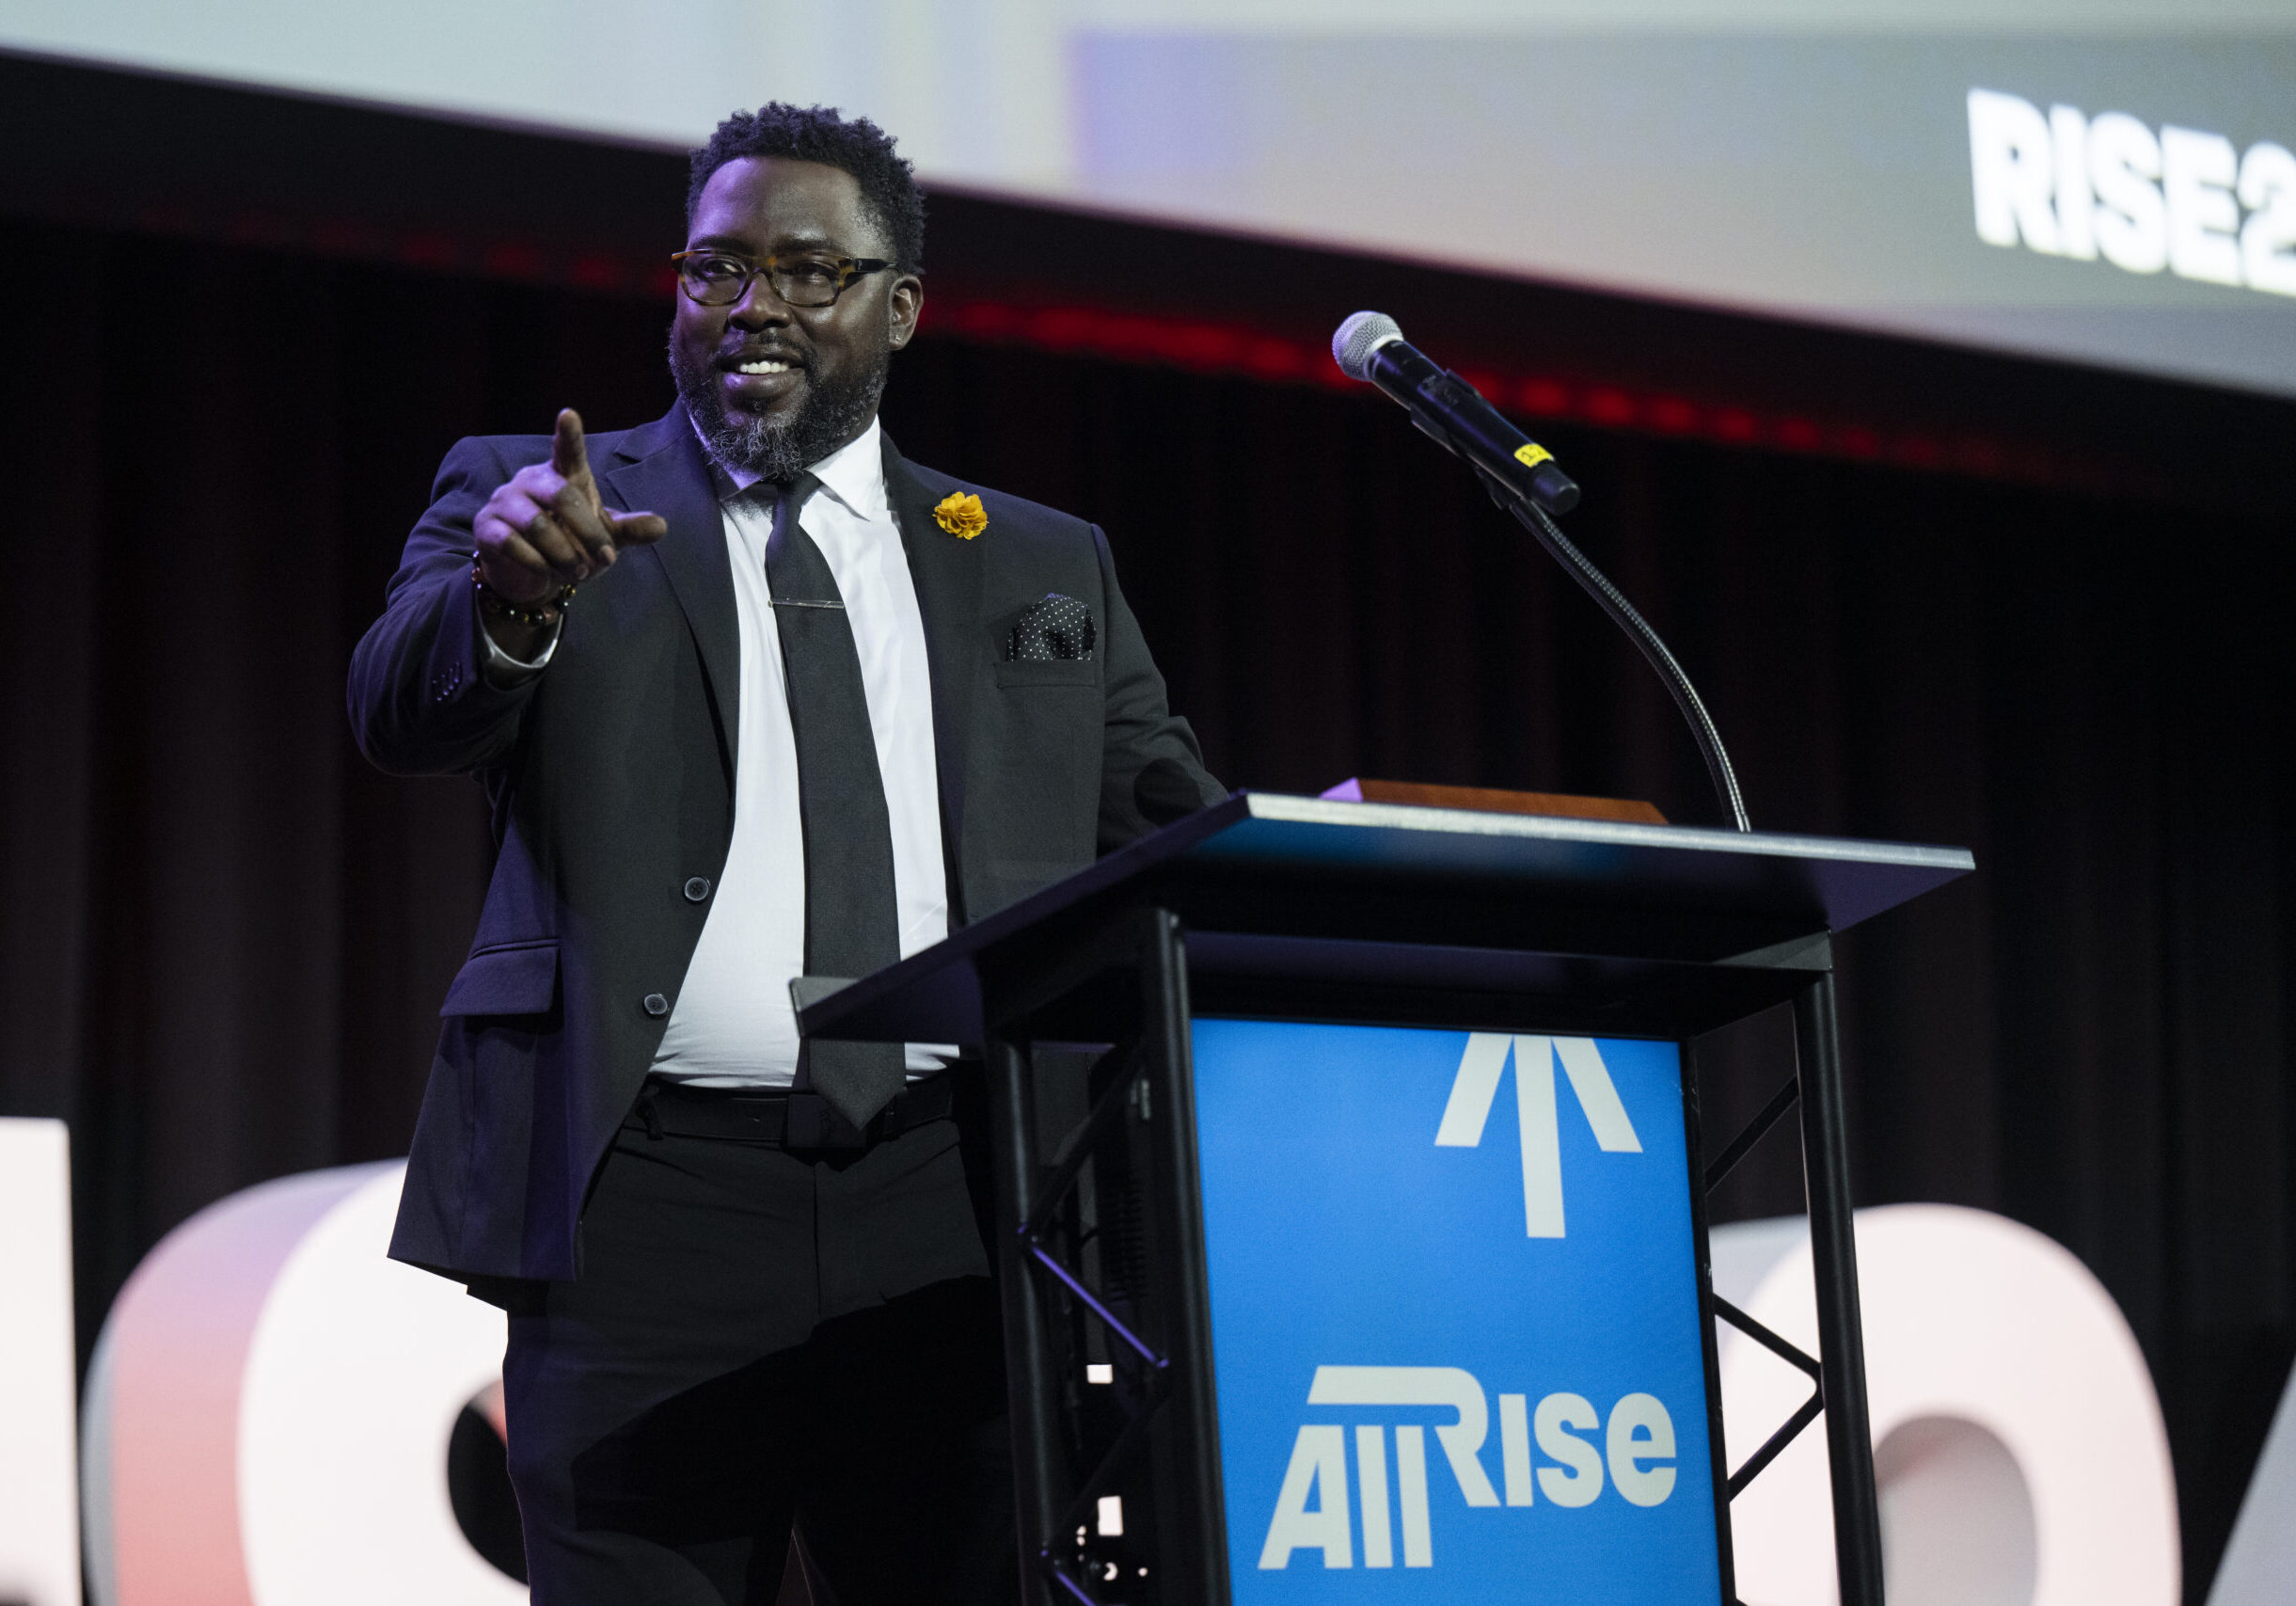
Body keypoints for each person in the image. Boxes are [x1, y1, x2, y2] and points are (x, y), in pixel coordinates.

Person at [348, 103, 1224, 1605]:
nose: (755, 305)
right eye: (716, 269)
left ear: (900, 306)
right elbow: (397, 713)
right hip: (648, 1205)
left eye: (809, 272)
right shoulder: (544, 501)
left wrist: (1331, 869)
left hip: (955, 1202)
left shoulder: (1031, 558)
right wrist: (507, 604)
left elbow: (1164, 823)